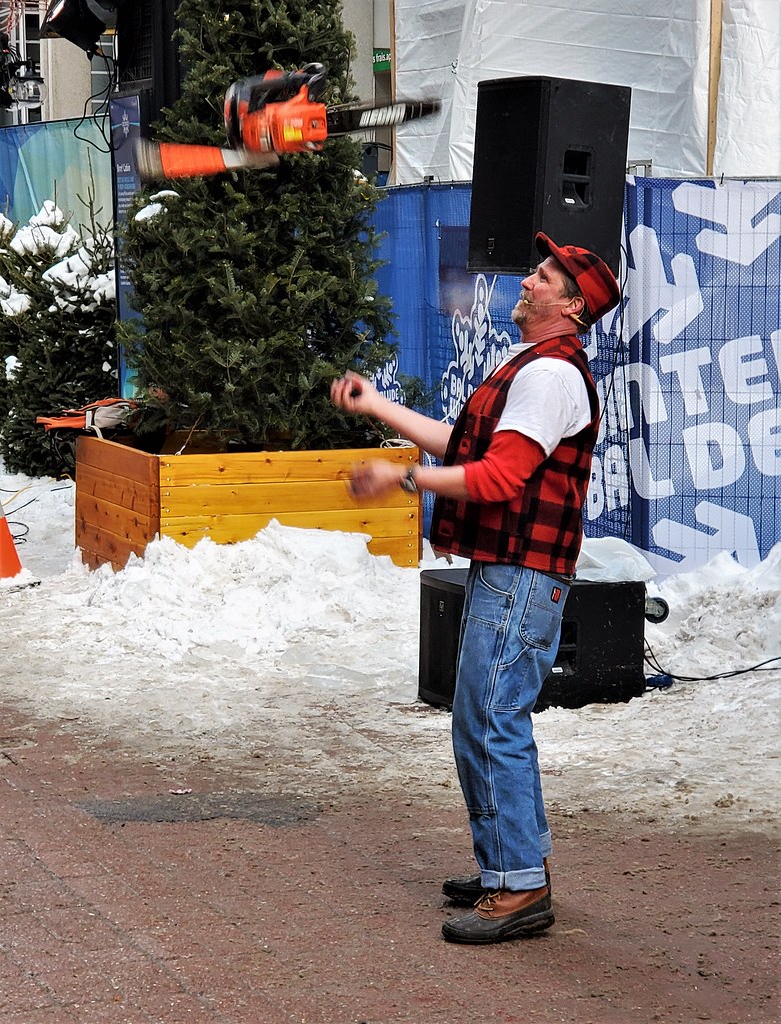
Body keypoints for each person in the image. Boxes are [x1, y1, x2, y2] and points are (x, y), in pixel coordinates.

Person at [330, 232, 620, 945]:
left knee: (493, 721)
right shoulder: (532, 364)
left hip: (524, 576)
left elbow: (498, 479)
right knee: (481, 719)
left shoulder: (551, 376)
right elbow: (464, 449)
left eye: (545, 277)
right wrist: (379, 408)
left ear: (574, 307)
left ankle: (519, 885)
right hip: (513, 571)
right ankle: (506, 870)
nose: (527, 280)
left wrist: (398, 480)